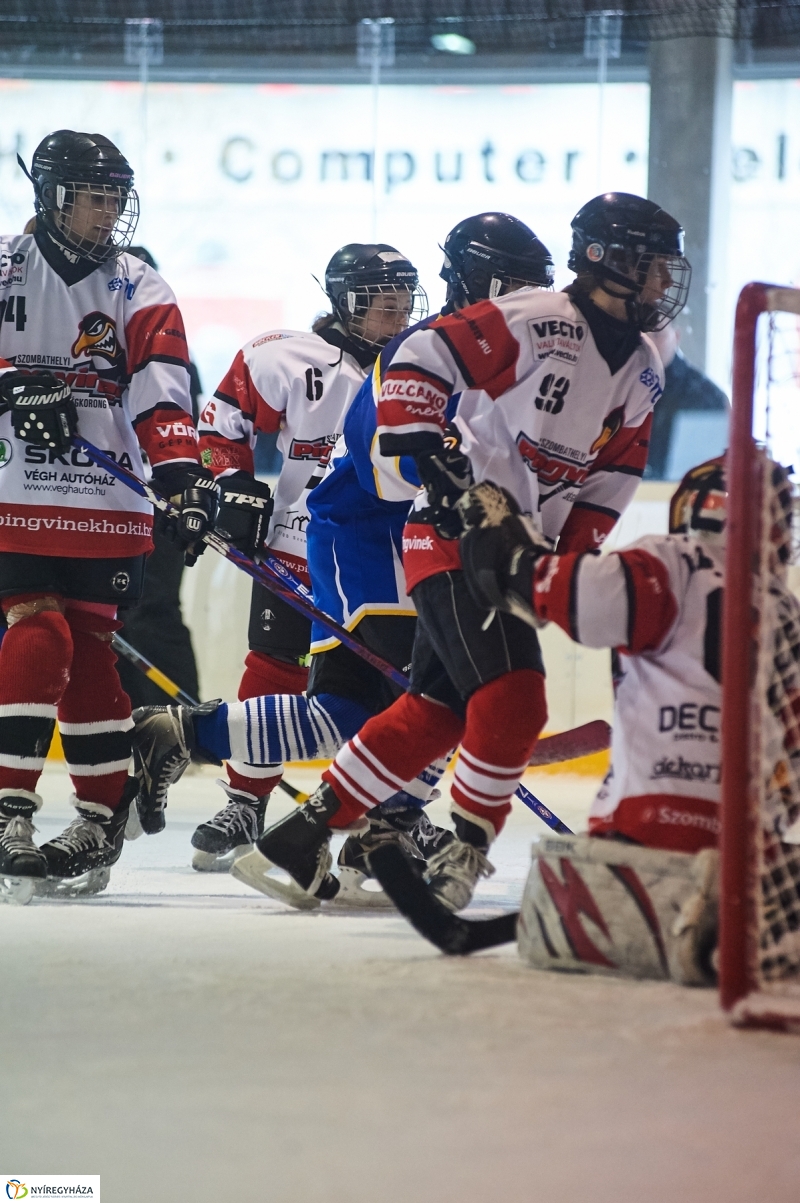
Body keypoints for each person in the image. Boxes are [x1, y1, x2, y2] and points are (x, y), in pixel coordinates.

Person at [132, 192, 691, 912]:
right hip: (363, 534)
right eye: (517, 281)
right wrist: (445, 474)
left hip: (438, 539)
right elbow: (381, 471)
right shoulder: (451, 345)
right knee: (393, 700)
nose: (530, 296)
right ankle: (369, 810)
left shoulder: (611, 359)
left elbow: (601, 468)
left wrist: (551, 546)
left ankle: (261, 783)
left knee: (395, 706)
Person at [457, 457, 800, 982]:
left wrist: (514, 562)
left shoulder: (675, 559)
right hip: (748, 847)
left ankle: (667, 913)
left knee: (554, 875)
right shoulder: (787, 608)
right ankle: (738, 916)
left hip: (645, 831)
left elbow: (583, 596)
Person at [0, 130, 214, 895]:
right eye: (94, 196)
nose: (108, 211)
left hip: (108, 495)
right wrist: (12, 385)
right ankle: (10, 806)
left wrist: (185, 477)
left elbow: (164, 384)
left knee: (90, 647)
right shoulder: (4, 265)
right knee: (38, 626)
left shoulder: (140, 285)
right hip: (15, 489)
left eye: (116, 196)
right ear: (52, 196)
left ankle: (97, 819)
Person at [185, 244, 426, 866]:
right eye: (381, 307)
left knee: (394, 692)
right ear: (345, 304)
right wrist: (230, 483)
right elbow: (219, 423)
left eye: (404, 306)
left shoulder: (427, 369)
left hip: (388, 561)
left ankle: (394, 814)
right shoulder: (289, 356)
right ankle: (246, 800)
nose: (396, 320)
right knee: (273, 670)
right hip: (298, 546)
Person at [115, 245, 203, 710]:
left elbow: (180, 431)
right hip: (98, 495)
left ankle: (183, 723)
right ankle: (125, 720)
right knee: (110, 616)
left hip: (157, 495)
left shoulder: (169, 346)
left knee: (153, 609)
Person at [643, 320, 728, 480]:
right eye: (642, 337)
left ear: (676, 335)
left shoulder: (707, 396)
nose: (649, 344)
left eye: (657, 335)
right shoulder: (621, 387)